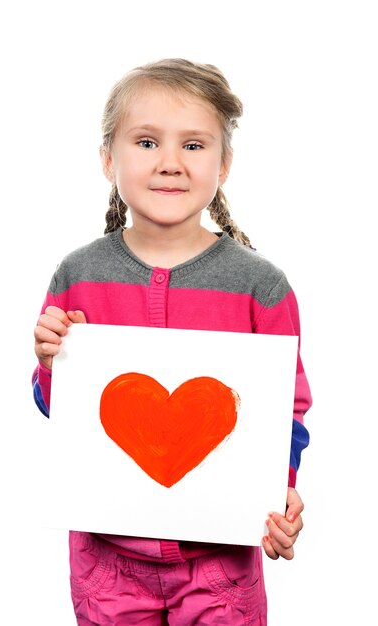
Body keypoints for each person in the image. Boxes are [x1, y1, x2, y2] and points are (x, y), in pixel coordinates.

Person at [33, 58, 312, 626]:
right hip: (107, 561)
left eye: (193, 145)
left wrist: (279, 490)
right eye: (146, 141)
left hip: (220, 564)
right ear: (108, 158)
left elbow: (289, 407)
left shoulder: (260, 285)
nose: (169, 163)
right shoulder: (77, 275)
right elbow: (54, 407)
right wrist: (50, 362)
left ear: (224, 164)